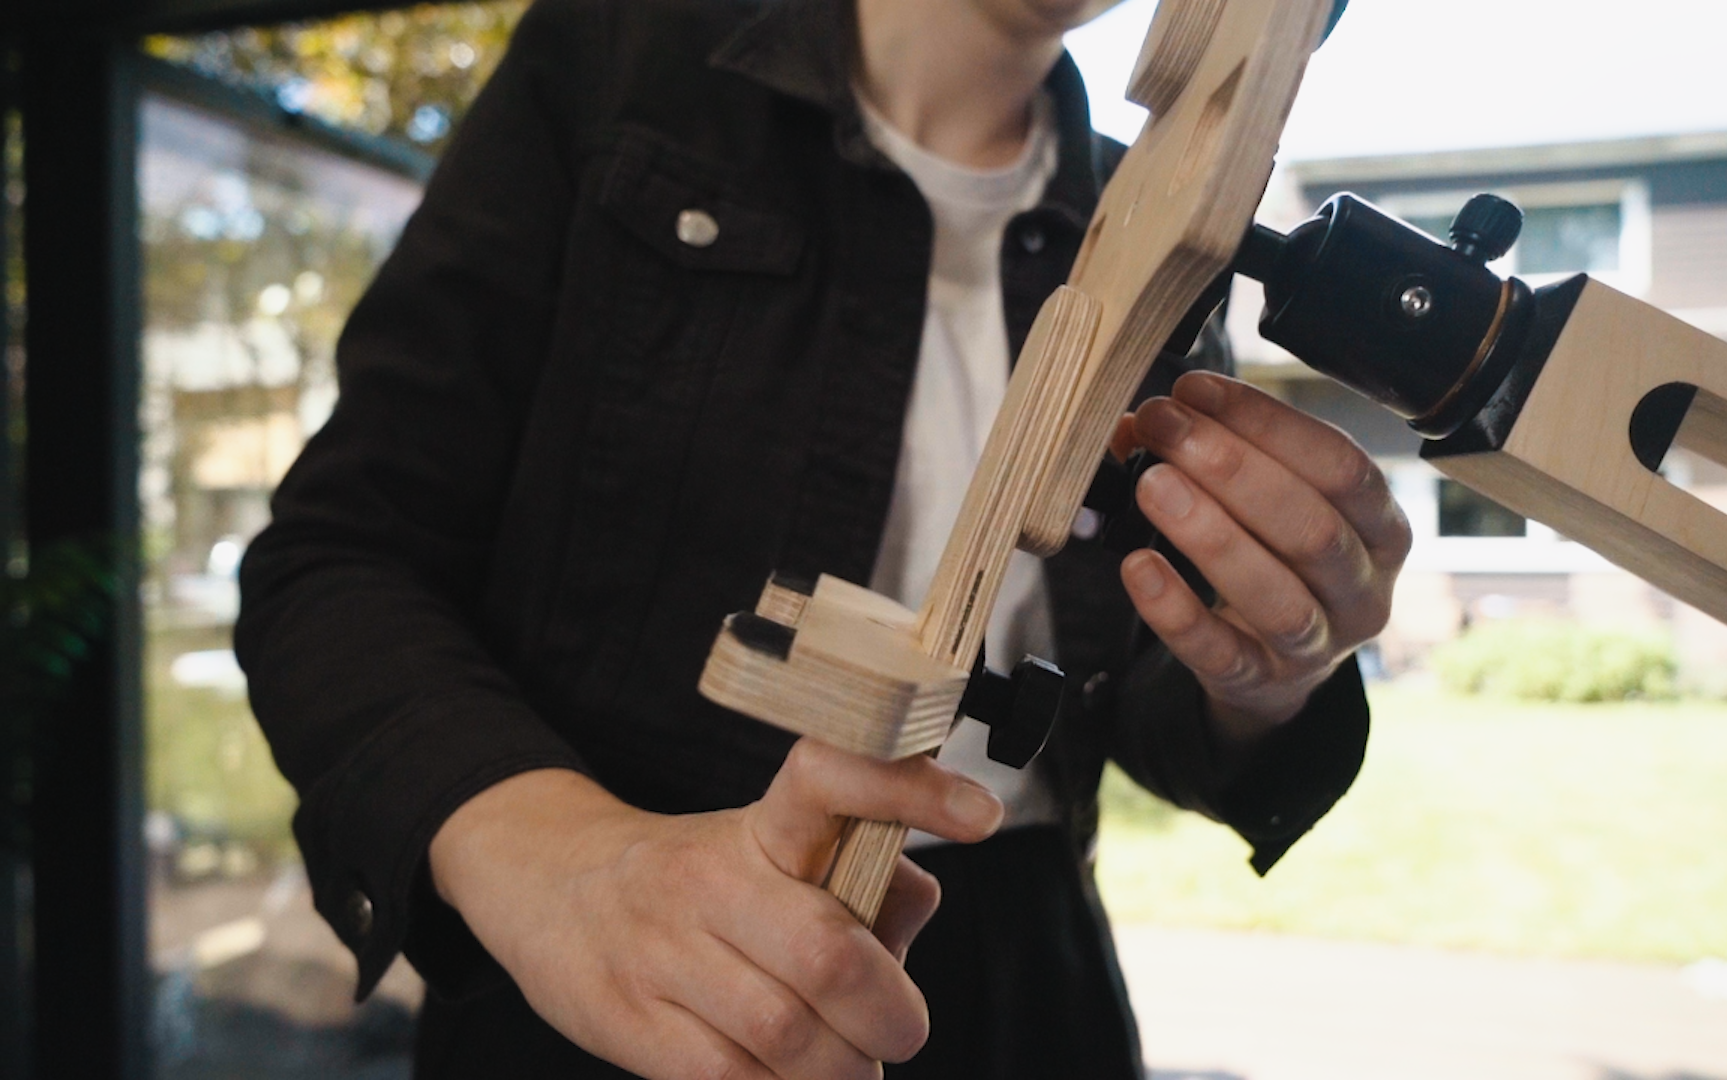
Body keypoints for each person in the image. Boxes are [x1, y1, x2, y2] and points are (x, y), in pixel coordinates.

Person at [234, 0, 1411, 1076]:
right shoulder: (616, 67)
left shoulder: (1162, 219)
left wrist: (1269, 670)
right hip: (626, 986)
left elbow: (1145, 699)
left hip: (1026, 985)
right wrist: (558, 860)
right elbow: (339, 556)